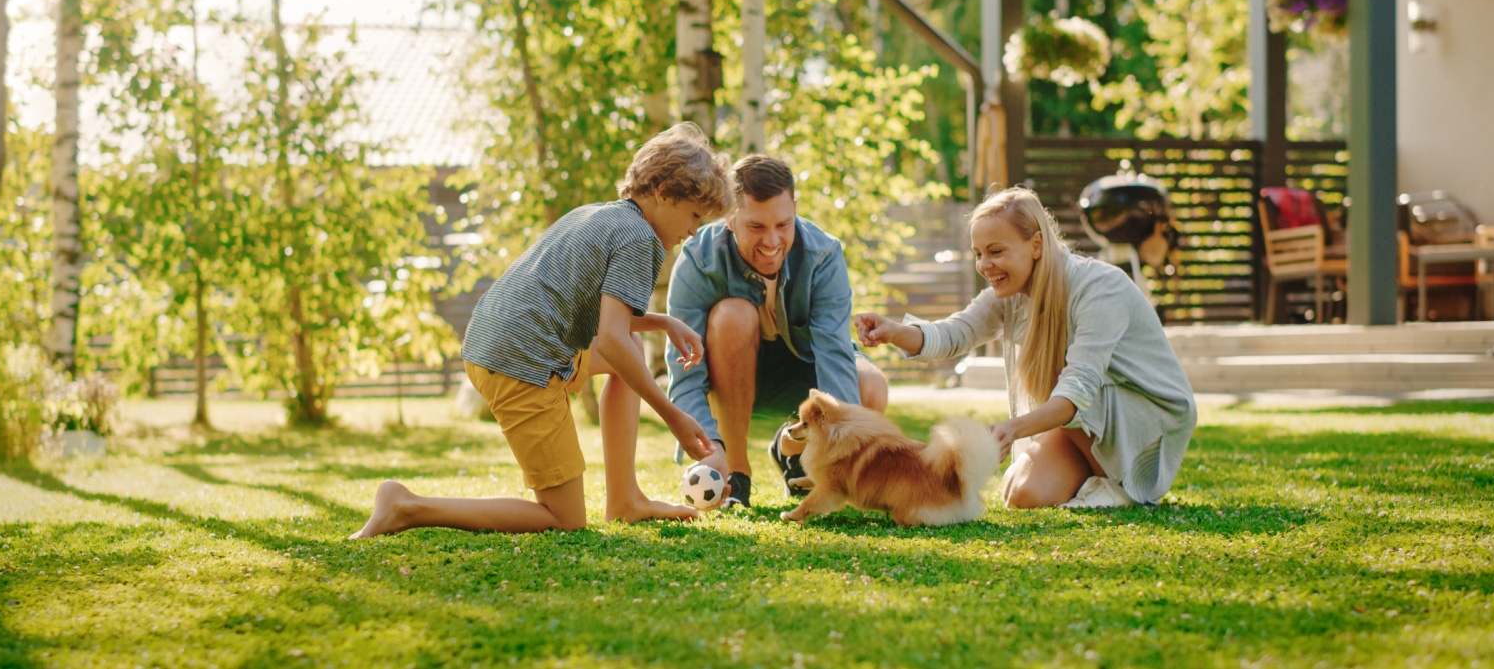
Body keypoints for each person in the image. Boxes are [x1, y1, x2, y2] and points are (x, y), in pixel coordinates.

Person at [350, 123, 732, 537]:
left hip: (495, 343)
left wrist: (662, 320)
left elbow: (604, 318)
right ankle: (406, 506)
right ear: (662, 191)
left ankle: (626, 500)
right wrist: (673, 415)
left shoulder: (598, 216)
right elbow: (610, 339)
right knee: (563, 520)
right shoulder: (641, 239)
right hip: (521, 363)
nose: (695, 229)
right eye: (694, 214)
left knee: (633, 348)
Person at [854, 187, 1196, 508]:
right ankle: (1097, 480)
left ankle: (1123, 487)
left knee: (1063, 397)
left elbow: (1078, 389)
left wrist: (1012, 428)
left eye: (996, 251)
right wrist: (895, 332)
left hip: (1142, 415)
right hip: (1081, 420)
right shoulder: (1012, 293)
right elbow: (955, 333)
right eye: (978, 254)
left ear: (1035, 244)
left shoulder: (1100, 289)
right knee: (1022, 493)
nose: (985, 265)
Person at [665, 154, 889, 507]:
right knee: (732, 315)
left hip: (804, 372)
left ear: (795, 209)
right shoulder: (698, 260)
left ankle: (795, 457)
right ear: (729, 215)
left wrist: (841, 457)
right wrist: (710, 447)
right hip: (728, 379)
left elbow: (833, 353)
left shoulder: (824, 253)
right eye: (756, 227)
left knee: (871, 388)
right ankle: (736, 475)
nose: (772, 241)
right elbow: (685, 373)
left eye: (783, 225)